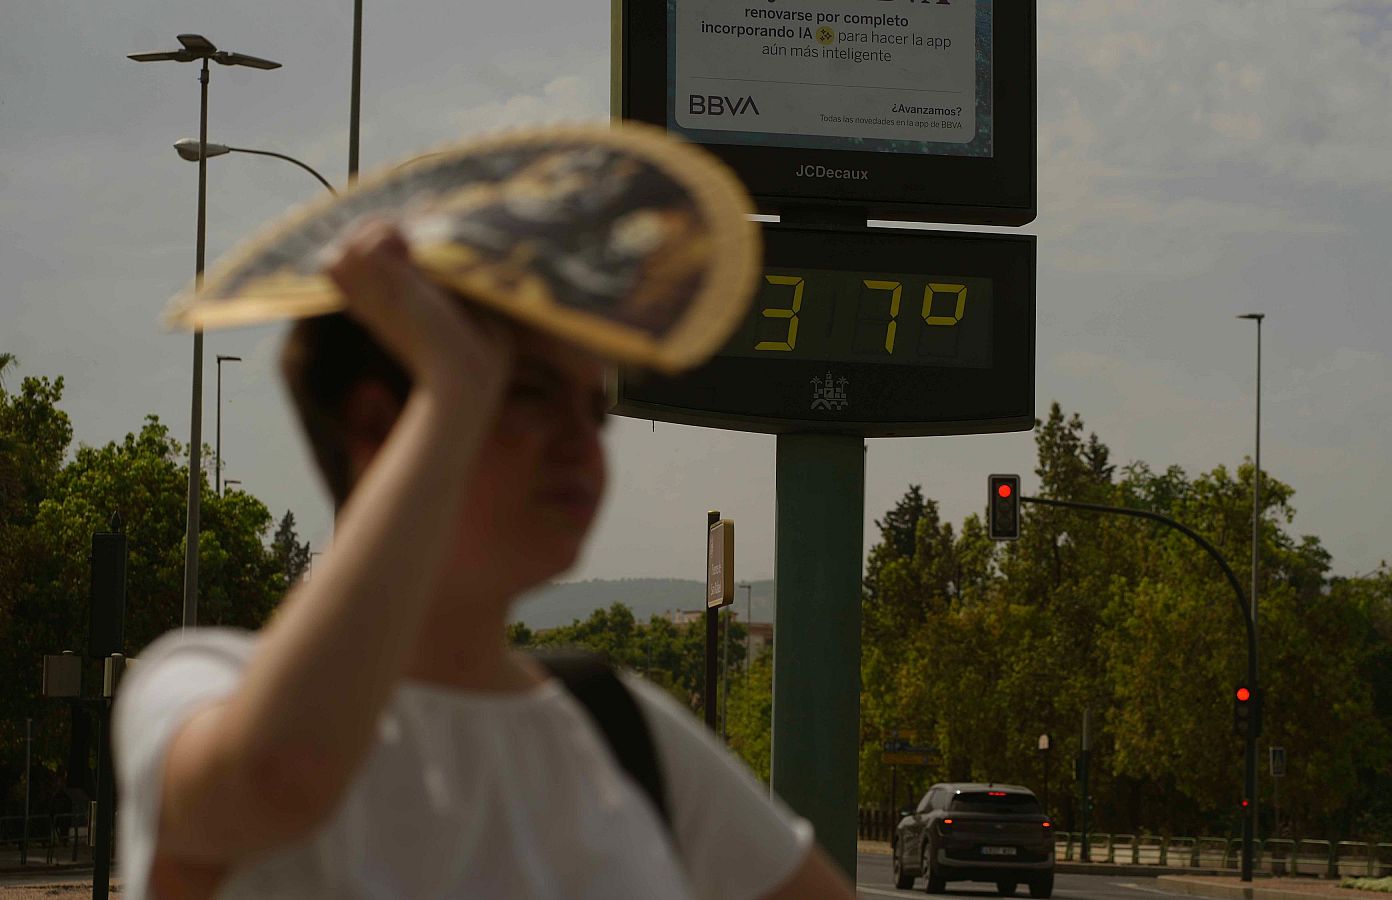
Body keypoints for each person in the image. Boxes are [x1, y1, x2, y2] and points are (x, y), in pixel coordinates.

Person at [112, 220, 857, 899]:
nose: (580, 439)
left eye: (593, 408)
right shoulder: (195, 684)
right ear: (378, 422)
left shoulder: (621, 729)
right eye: (527, 392)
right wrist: (456, 387)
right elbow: (280, 778)